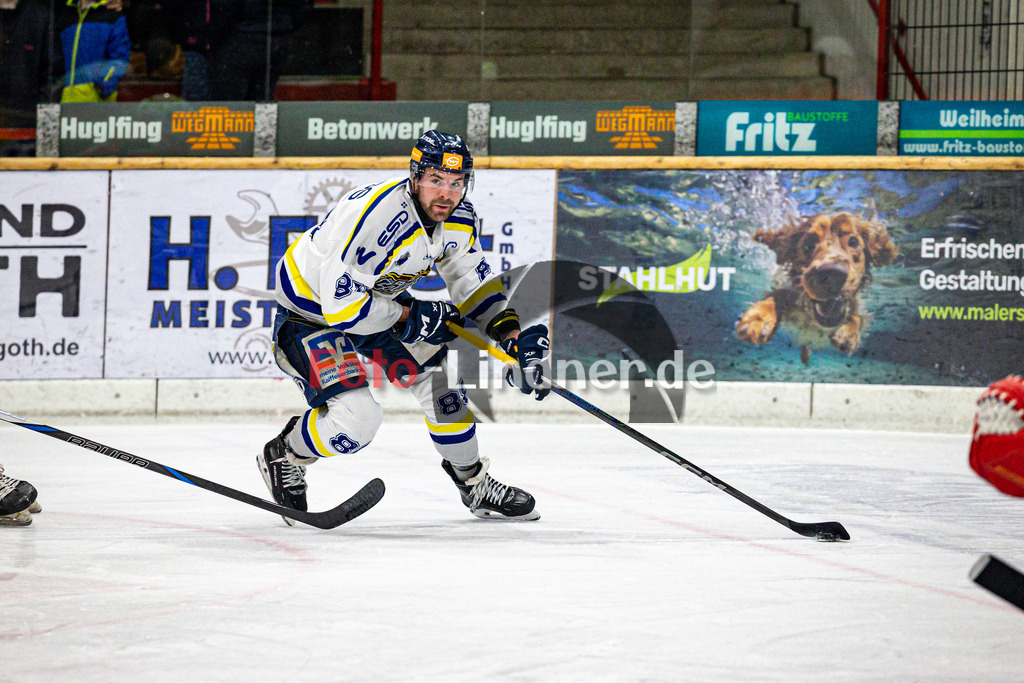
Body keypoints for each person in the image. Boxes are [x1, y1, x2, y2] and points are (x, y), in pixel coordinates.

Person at [257, 130, 550, 523]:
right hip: (312, 315)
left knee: (443, 387)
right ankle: (286, 453)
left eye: (457, 183)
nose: (446, 194)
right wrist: (412, 318)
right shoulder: (378, 219)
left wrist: (513, 340)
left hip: (377, 303)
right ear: (415, 177)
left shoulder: (459, 217)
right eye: (436, 180)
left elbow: (472, 284)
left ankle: (474, 484)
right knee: (358, 423)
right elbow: (342, 308)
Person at [206, 0, 310, 101]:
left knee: (230, 99)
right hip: (276, 36)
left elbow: (225, 8)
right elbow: (303, 7)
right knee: (262, 96)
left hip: (242, 36)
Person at [57, 0, 130, 102]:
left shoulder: (112, 16)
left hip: (96, 100)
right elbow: (52, 58)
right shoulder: (64, 16)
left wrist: (102, 87)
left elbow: (119, 58)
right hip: (64, 98)